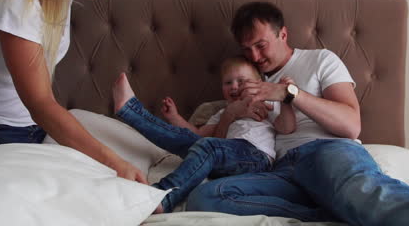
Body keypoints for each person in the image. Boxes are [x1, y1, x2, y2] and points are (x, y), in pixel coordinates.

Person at [183, 2, 409, 225]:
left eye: (261, 45)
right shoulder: (248, 80)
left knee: (370, 196)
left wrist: (292, 95)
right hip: (283, 171)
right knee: (207, 197)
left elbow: (351, 126)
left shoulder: (320, 60)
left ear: (283, 34)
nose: (254, 57)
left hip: (328, 154)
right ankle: (328, 211)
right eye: (247, 49)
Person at [0, 0, 147, 183]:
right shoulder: (20, 1)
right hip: (5, 131)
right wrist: (115, 164)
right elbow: (40, 104)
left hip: (35, 128)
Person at [112, 56, 297, 213]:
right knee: (191, 140)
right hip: (226, 156)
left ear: (258, 84)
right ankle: (130, 110)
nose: (234, 87)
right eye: (228, 82)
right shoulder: (221, 112)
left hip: (256, 157)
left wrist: (286, 100)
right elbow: (197, 135)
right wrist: (175, 117)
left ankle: (163, 196)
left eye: (241, 81)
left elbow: (286, 127)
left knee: (208, 146)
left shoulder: (265, 103)